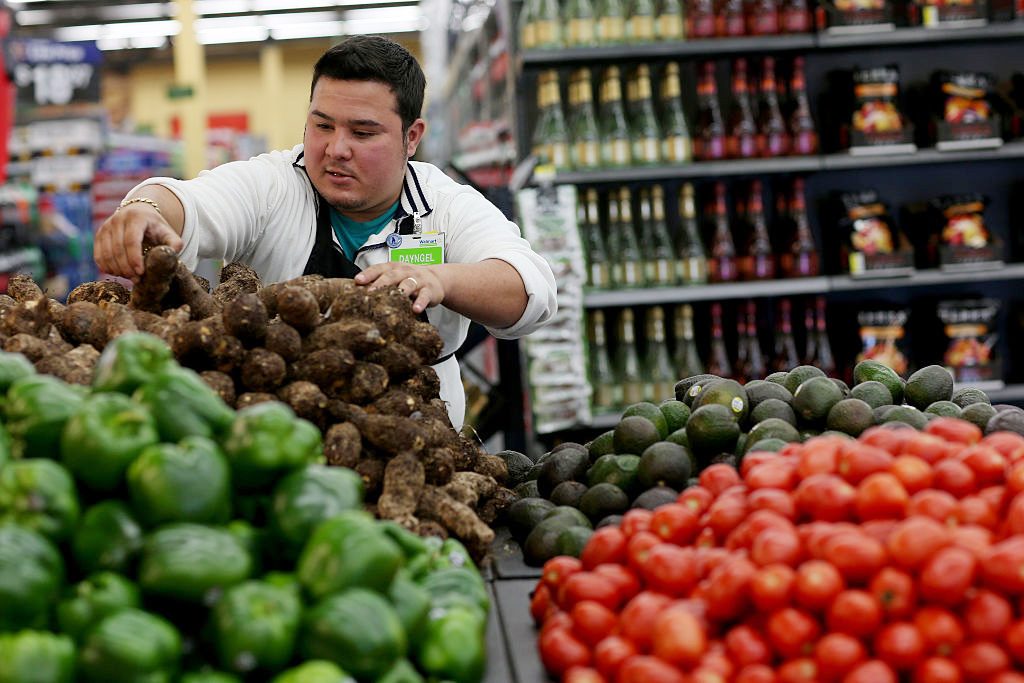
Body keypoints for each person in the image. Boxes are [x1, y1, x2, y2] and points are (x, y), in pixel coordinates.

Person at [94, 35, 557, 430]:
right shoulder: (275, 185)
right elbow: (194, 201)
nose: (336, 149)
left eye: (362, 132)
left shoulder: (446, 203)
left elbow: (529, 289)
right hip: (281, 437)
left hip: (419, 443)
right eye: (323, 125)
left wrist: (443, 280)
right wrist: (144, 207)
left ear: (411, 137)